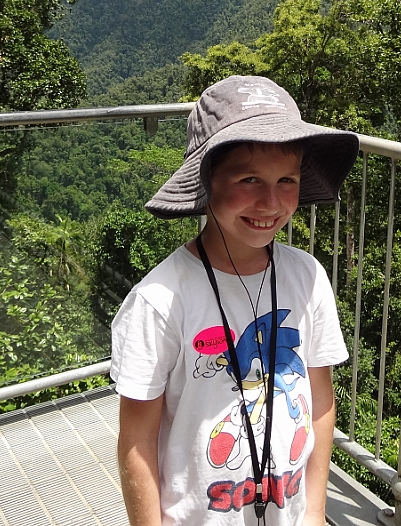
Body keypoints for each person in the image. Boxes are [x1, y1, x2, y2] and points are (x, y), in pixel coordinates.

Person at [111, 75, 360, 525]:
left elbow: (320, 398)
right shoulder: (161, 299)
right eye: (249, 179)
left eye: (287, 180)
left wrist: (315, 511)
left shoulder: (307, 277)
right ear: (207, 181)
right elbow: (137, 439)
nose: (271, 202)